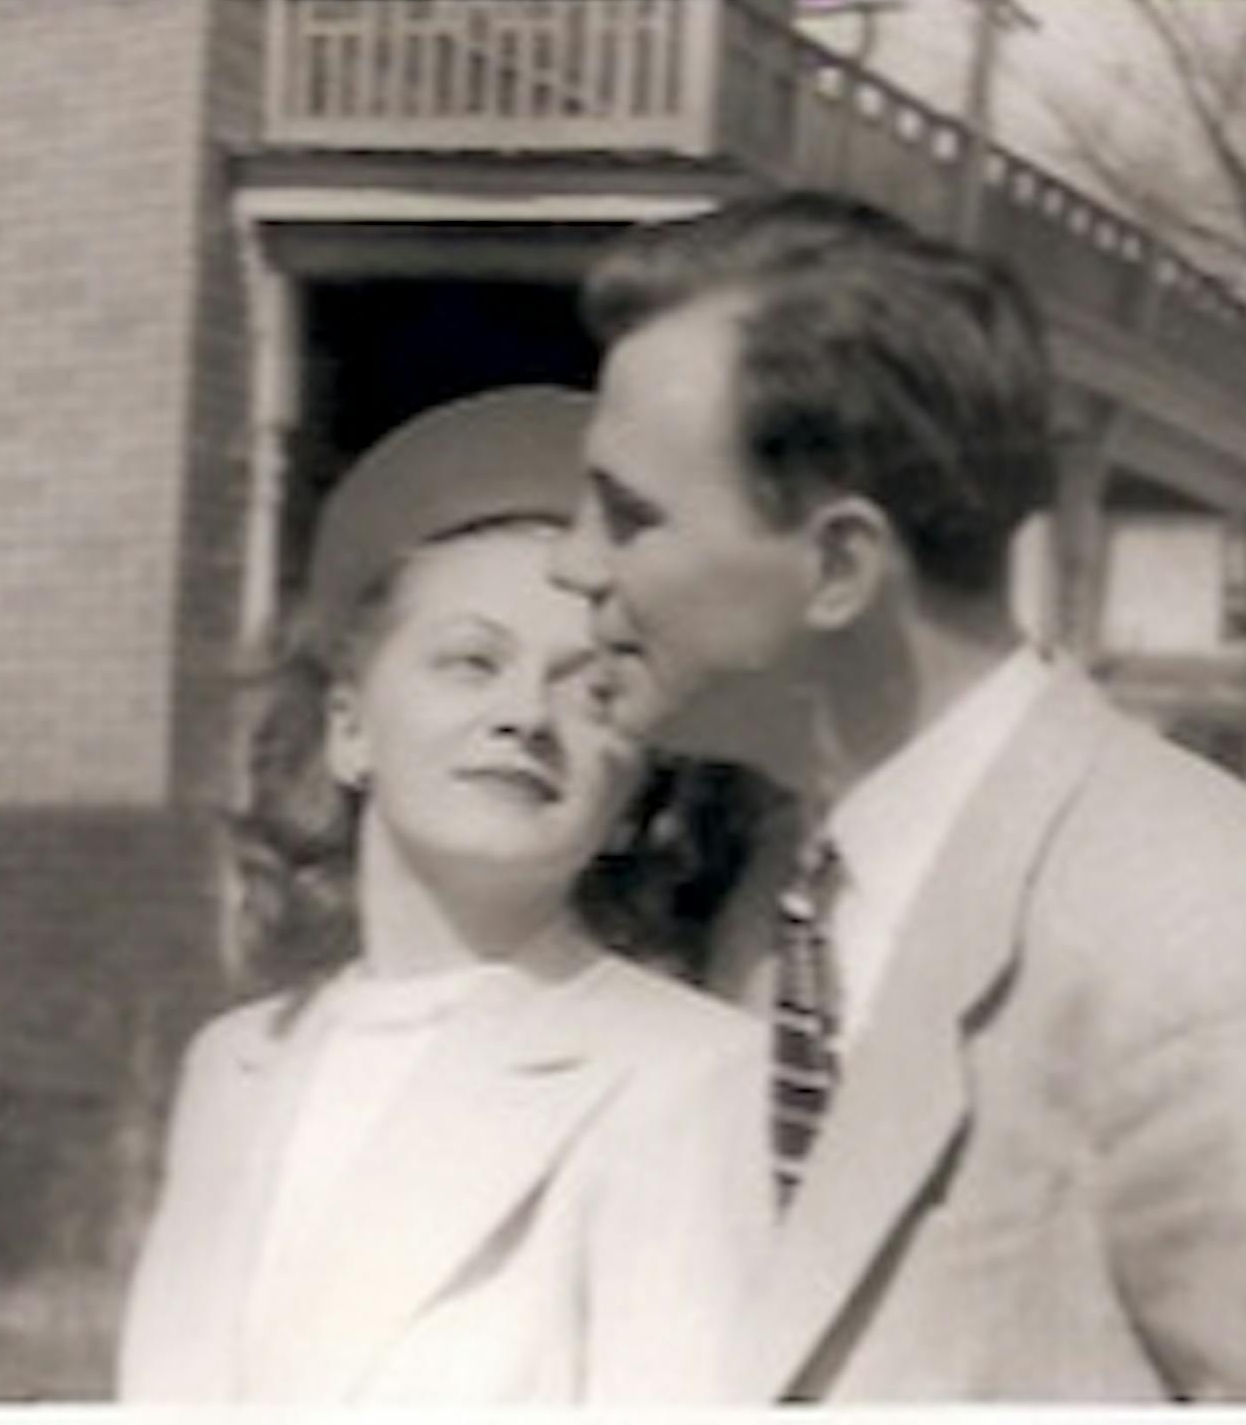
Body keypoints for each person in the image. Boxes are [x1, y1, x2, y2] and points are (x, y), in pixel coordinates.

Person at [549, 190, 1246, 1402]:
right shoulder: (766, 895)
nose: (572, 562)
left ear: (841, 567)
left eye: (628, 516)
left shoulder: (1213, 933)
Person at [114, 385, 767, 1404]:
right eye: (471, 662)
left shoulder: (690, 1079)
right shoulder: (235, 1065)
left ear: (637, 784)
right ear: (349, 726)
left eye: (590, 689)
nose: (524, 716)